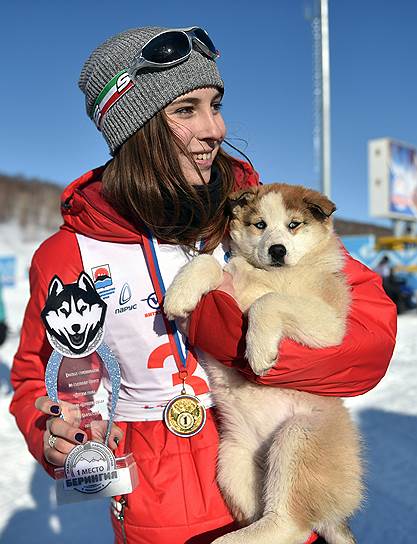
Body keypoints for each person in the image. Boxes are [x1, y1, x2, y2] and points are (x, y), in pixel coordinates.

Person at [10, 26, 397, 544]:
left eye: (216, 104)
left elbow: (369, 341)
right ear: (136, 128)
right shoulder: (69, 254)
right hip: (157, 511)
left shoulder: (256, 220)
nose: (215, 127)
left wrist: (243, 345)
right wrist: (52, 431)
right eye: (186, 110)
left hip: (275, 488)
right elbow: (39, 377)